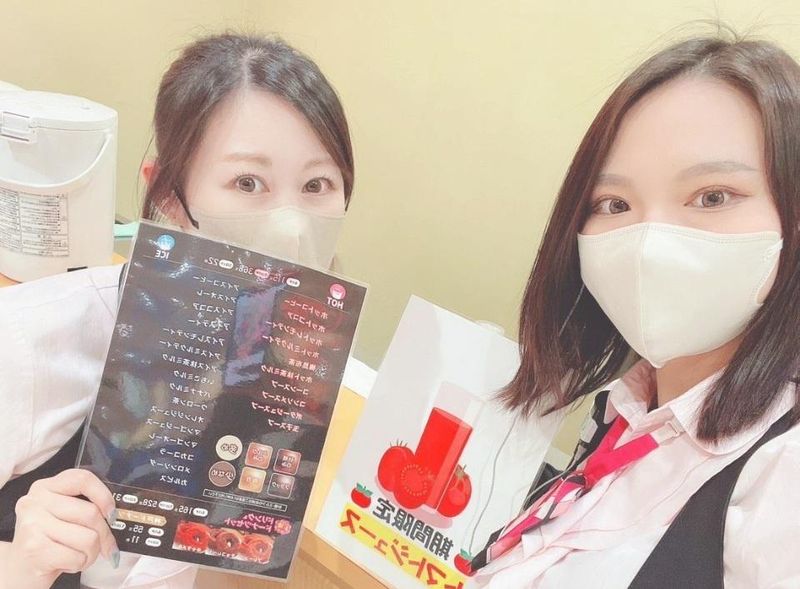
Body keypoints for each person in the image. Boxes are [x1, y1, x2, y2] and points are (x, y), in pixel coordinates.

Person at [0, 32, 357, 588]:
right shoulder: (26, 341)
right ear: (168, 193)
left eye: (317, 184)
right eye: (247, 182)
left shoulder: (297, 379)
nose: (292, 226)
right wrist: (23, 565)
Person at [473, 34, 800, 588]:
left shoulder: (783, 476)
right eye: (615, 204)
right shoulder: (627, 407)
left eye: (713, 196)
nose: (648, 243)